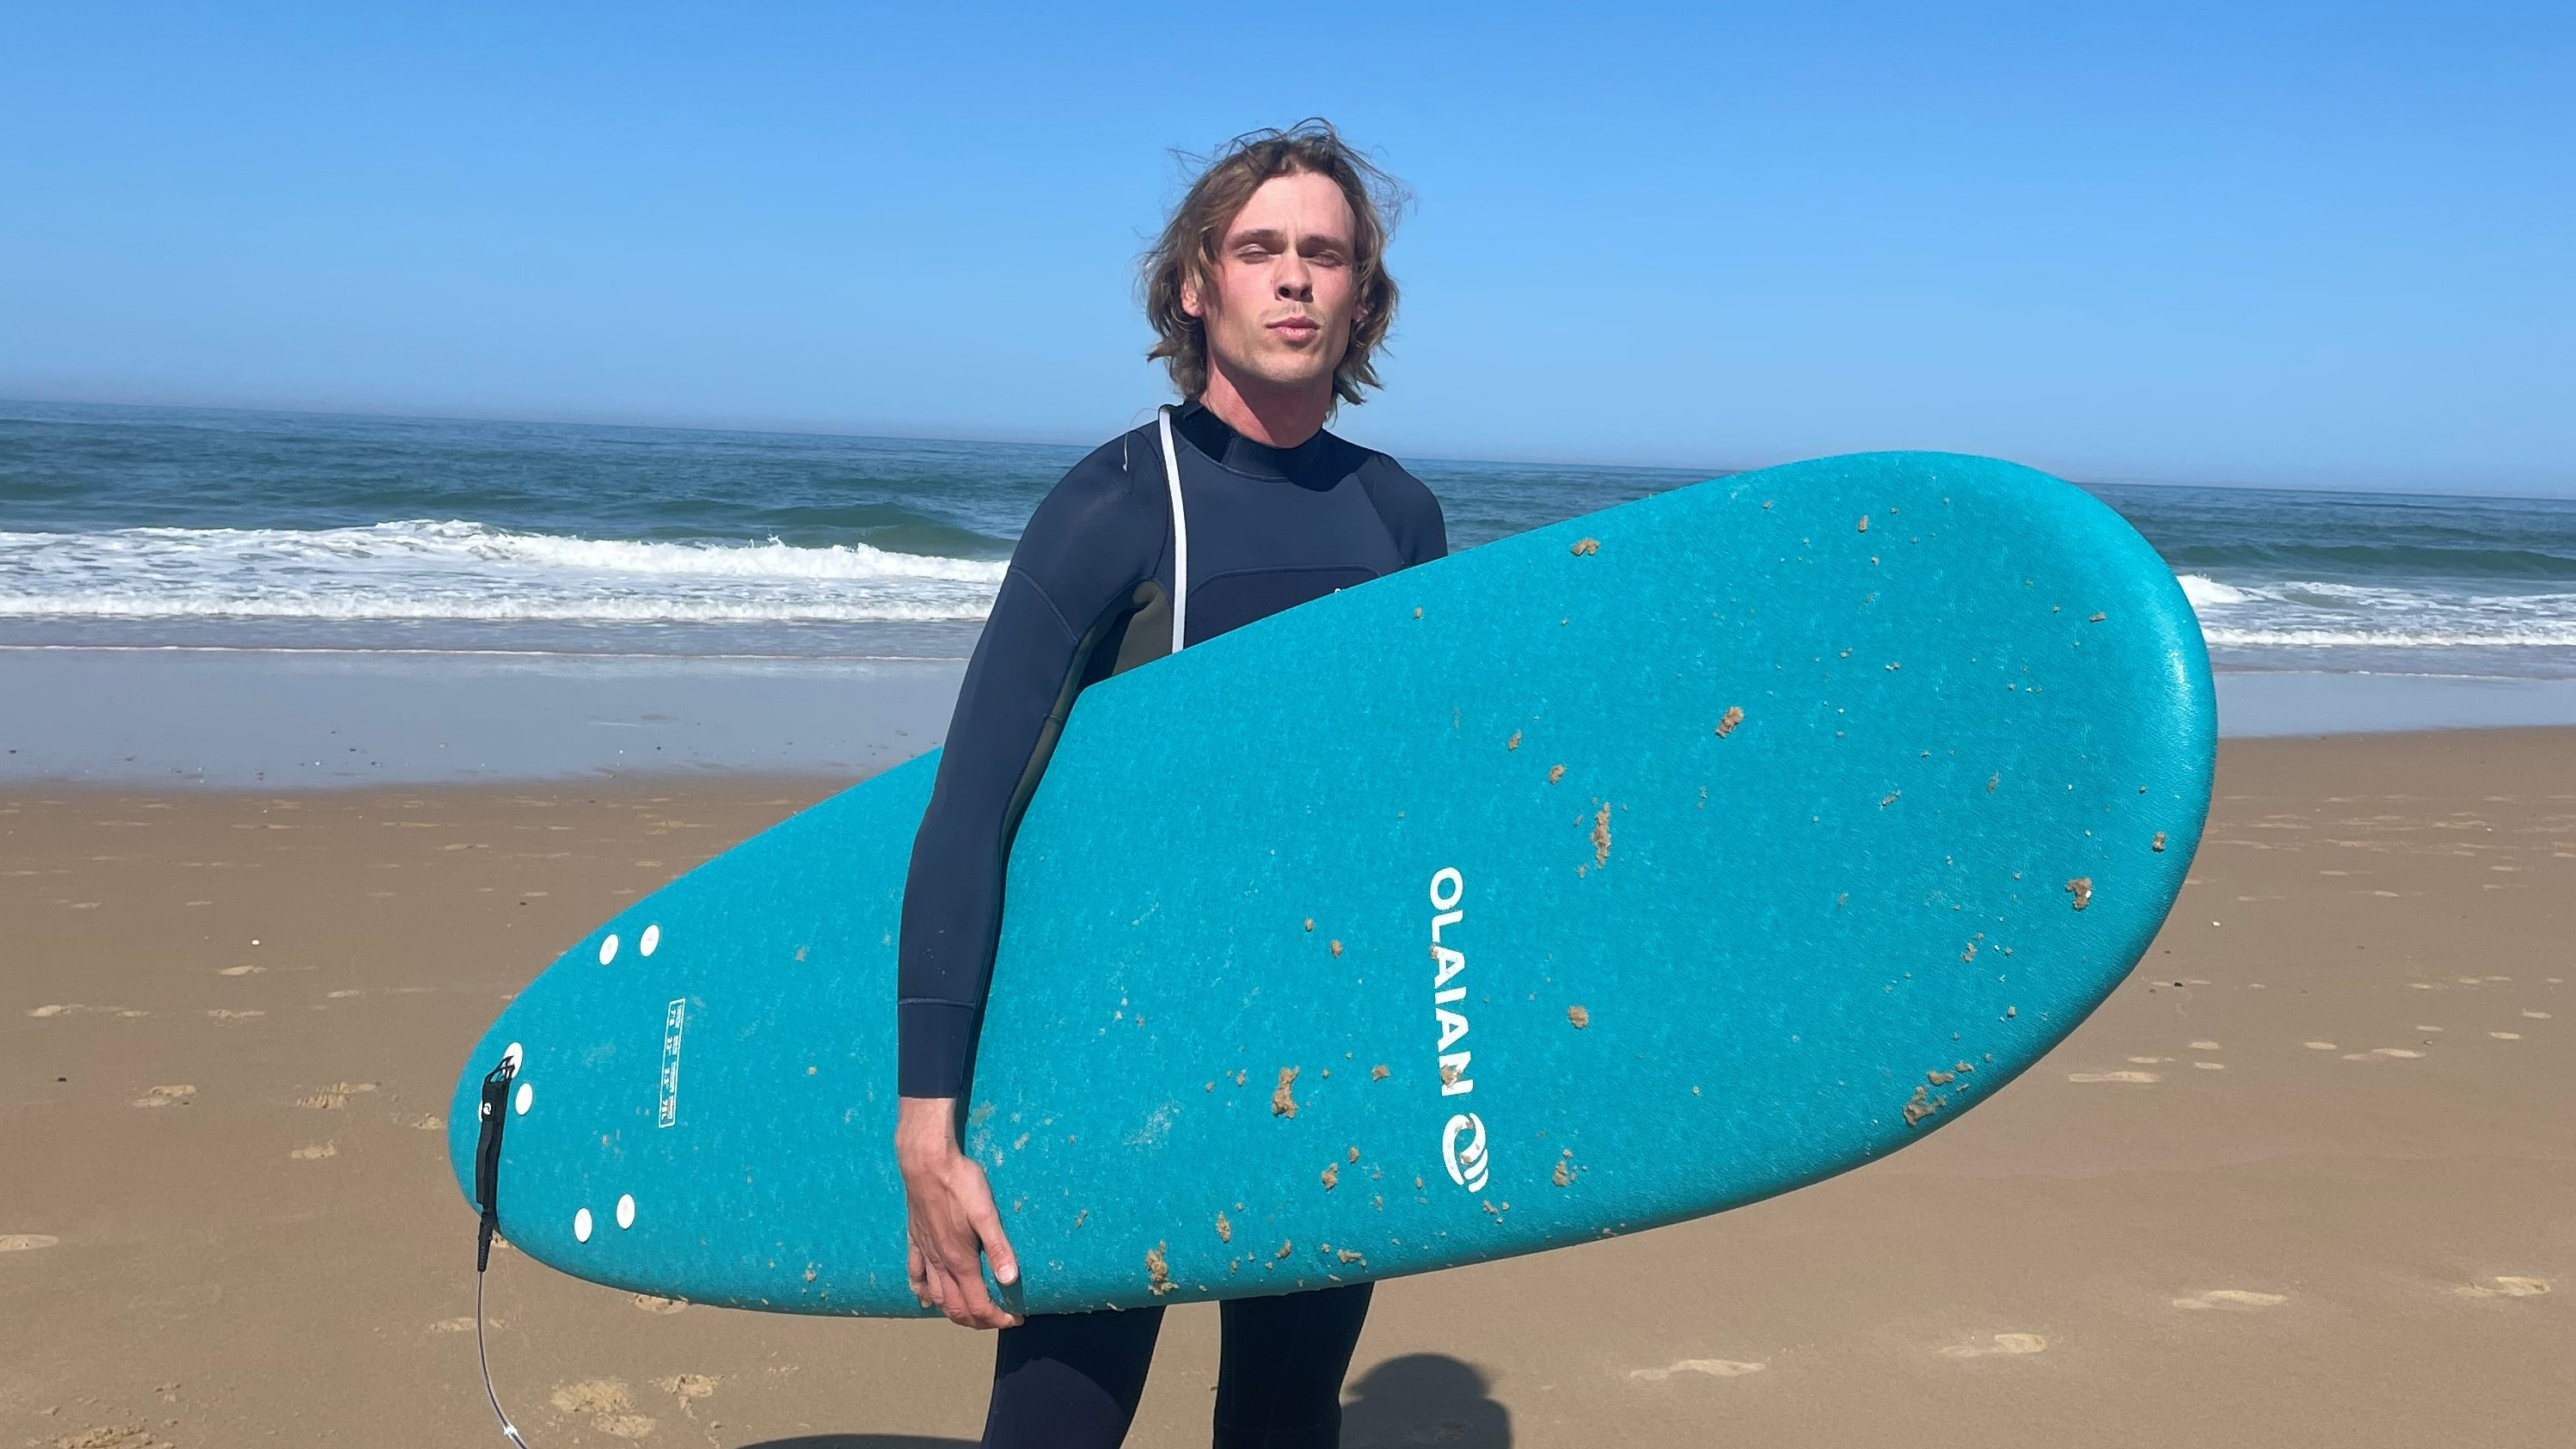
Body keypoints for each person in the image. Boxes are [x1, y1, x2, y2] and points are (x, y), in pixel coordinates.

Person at [892, 121, 1447, 1449]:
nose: (1296, 278)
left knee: (1285, 1423)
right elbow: (971, 810)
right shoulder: (1120, 504)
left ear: (1363, 295)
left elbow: (1414, 818)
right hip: (1113, 1060)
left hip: (1327, 1056)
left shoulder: (1401, 519)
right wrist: (930, 1123)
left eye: (1327, 253)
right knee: (1057, 1434)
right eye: (1262, 249)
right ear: (1196, 283)